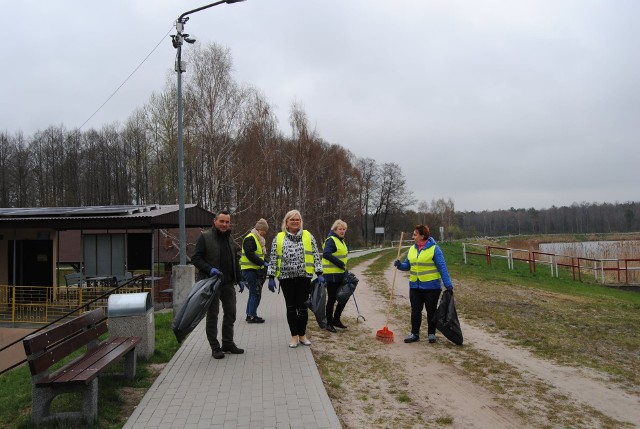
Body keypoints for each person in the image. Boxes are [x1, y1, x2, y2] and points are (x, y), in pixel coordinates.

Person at [191, 210, 247, 359]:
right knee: (213, 316)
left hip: (228, 283)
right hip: (212, 284)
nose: (225, 224)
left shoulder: (230, 239)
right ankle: (215, 348)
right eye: (222, 221)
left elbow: (236, 260)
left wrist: (240, 279)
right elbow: (195, 258)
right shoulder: (205, 237)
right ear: (215, 221)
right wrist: (210, 269)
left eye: (227, 222)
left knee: (231, 313)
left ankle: (228, 343)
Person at [267, 210, 324, 348]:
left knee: (302, 307)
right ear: (286, 222)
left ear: (300, 222)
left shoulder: (307, 236)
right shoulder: (279, 237)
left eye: (297, 219)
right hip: (286, 278)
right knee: (291, 307)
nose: (294, 221)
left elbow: (315, 254)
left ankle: (302, 335)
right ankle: (294, 337)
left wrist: (320, 273)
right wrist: (271, 276)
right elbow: (273, 257)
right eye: (292, 219)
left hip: (304, 276)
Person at [394, 224, 453, 344]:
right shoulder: (412, 249)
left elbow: (442, 267)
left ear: (422, 236)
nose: (413, 236)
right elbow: (408, 265)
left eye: (415, 234)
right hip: (415, 286)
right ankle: (414, 333)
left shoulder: (434, 249)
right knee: (415, 311)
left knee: (431, 311)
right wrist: (400, 265)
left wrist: (448, 285)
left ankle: (431, 334)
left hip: (432, 287)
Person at [240, 218, 270, 323]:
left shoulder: (257, 239)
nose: (265, 233)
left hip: (253, 269)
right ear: (259, 228)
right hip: (249, 270)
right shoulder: (250, 238)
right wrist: (262, 263)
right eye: (264, 230)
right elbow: (250, 254)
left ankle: (250, 315)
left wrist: (265, 261)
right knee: (255, 293)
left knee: (253, 292)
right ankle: (252, 316)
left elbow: (258, 255)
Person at [322, 219, 349, 333]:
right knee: (332, 299)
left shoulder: (341, 240)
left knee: (344, 296)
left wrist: (344, 269)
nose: (342, 231)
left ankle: (336, 319)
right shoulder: (331, 240)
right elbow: (326, 254)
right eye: (340, 229)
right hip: (331, 275)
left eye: (344, 229)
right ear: (335, 229)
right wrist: (340, 264)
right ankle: (329, 323)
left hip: (341, 274)